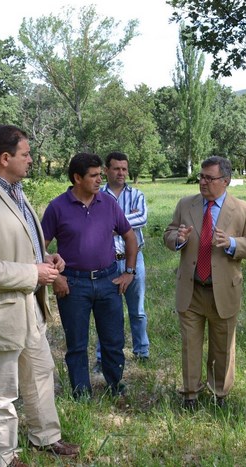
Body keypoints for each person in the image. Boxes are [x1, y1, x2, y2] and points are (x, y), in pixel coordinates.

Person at [0, 125, 79, 467]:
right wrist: (33, 274)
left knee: (40, 373)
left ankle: (46, 437)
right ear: (5, 158)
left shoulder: (14, 190)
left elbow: (19, 242)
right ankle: (4, 457)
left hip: (28, 306)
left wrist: (44, 259)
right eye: (25, 154)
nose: (31, 159)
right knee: (0, 390)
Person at [164, 156, 246, 408]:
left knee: (223, 345)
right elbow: (169, 234)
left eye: (210, 177)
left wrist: (231, 243)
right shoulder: (186, 205)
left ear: (225, 181)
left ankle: (220, 393)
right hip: (192, 288)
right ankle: (190, 394)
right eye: (201, 176)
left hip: (224, 290)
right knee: (190, 345)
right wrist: (179, 238)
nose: (203, 182)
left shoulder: (243, 209)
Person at [41, 152, 138, 399]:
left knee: (113, 340)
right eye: (93, 176)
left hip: (109, 281)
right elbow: (39, 246)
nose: (99, 180)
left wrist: (128, 272)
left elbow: (129, 236)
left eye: (99, 175)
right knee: (76, 344)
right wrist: (56, 277)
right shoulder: (57, 207)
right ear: (77, 178)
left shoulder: (108, 203)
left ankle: (115, 385)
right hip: (73, 284)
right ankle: (81, 392)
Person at [94, 152, 150, 371]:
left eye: (124, 169)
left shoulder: (137, 194)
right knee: (105, 311)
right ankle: (102, 357)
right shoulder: (97, 195)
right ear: (106, 170)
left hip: (133, 259)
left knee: (137, 309)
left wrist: (109, 223)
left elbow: (142, 218)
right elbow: (94, 223)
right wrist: (126, 220)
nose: (121, 173)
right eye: (116, 168)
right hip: (105, 261)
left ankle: (142, 351)